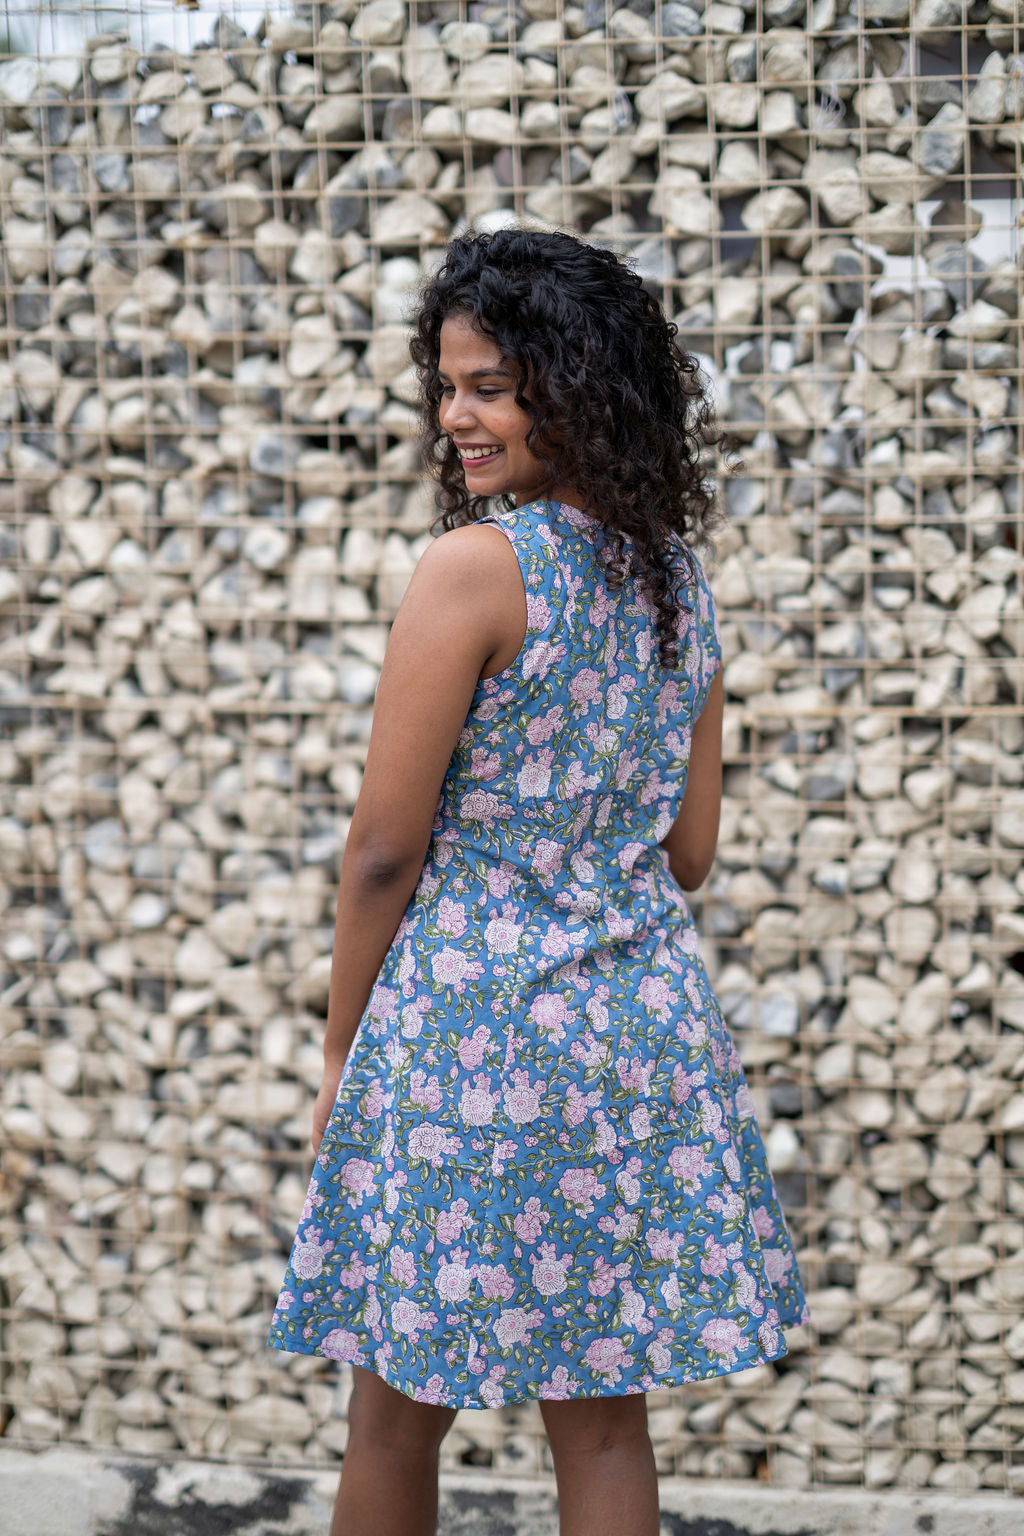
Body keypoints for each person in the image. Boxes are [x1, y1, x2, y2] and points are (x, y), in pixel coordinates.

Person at [266, 227, 810, 1536]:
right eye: (448, 385)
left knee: (395, 1408)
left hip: (474, 1041)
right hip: (638, 1041)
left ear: (575, 387)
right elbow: (688, 853)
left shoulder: (477, 570)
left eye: (491, 386)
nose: (458, 414)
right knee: (606, 1414)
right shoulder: (679, 580)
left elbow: (385, 849)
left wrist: (342, 1047)